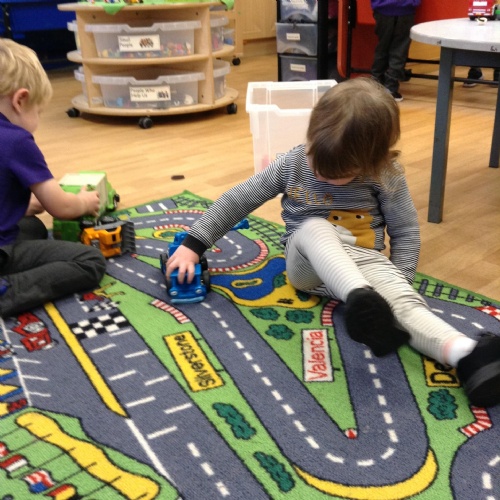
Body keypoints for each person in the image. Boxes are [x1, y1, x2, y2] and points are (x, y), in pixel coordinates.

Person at [165, 77, 500, 408]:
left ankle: (465, 354)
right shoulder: (292, 163)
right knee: (315, 226)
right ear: (311, 136)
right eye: (317, 164)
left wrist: (400, 282)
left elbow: (406, 232)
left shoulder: (386, 174)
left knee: (405, 306)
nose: (321, 175)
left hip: (366, 263)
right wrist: (193, 244)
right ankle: (361, 297)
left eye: (337, 174)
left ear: (371, 160)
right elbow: (238, 199)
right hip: (308, 264)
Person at [0, 38, 106, 318]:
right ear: (20, 100)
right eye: (38, 112)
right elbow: (61, 208)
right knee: (89, 261)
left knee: (33, 227)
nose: (38, 119)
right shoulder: (17, 141)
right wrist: (84, 202)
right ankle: (8, 291)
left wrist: (21, 206)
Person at [370, 0, 421, 102]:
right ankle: (391, 87)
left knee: (382, 48)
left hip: (382, 9)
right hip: (406, 10)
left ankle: (374, 83)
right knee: (399, 50)